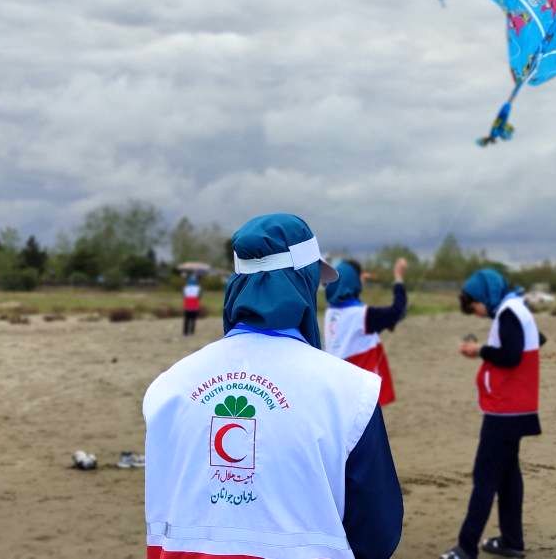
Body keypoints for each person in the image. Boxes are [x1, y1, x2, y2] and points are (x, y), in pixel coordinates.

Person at [142, 214, 401, 559]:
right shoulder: (353, 393)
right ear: (305, 283)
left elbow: (164, 511)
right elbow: (377, 534)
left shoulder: (168, 387)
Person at [443, 269, 541, 559]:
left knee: (484, 477)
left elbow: (511, 356)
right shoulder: (516, 308)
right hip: (516, 408)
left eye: (474, 305)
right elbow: (535, 341)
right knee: (508, 477)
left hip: (505, 411)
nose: (477, 312)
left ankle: (466, 547)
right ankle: (512, 541)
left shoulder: (510, 311)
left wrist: (480, 350)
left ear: (485, 295)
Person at [323, 257, 409, 406]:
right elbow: (398, 311)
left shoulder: (331, 311)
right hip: (358, 387)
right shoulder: (359, 314)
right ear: (353, 281)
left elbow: (355, 333)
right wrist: (398, 277)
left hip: (338, 382)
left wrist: (383, 324)